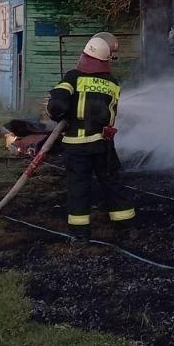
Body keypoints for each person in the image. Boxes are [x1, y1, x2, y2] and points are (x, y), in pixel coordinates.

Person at [46, 32, 130, 241]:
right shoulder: (112, 82)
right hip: (104, 144)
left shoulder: (73, 77)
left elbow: (56, 105)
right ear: (106, 60)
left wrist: (60, 114)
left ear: (85, 56)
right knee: (112, 183)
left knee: (79, 187)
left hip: (77, 145)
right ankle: (126, 226)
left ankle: (80, 233)